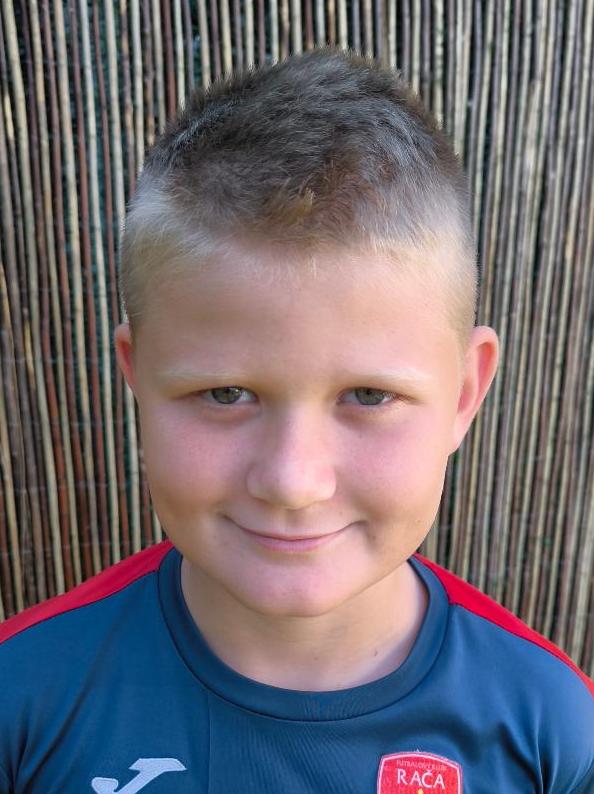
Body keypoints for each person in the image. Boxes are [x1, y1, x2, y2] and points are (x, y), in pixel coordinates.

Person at [0, 46, 592, 794]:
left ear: (464, 394)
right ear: (137, 375)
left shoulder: (554, 731)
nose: (292, 481)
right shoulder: (21, 700)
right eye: (225, 394)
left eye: (368, 396)